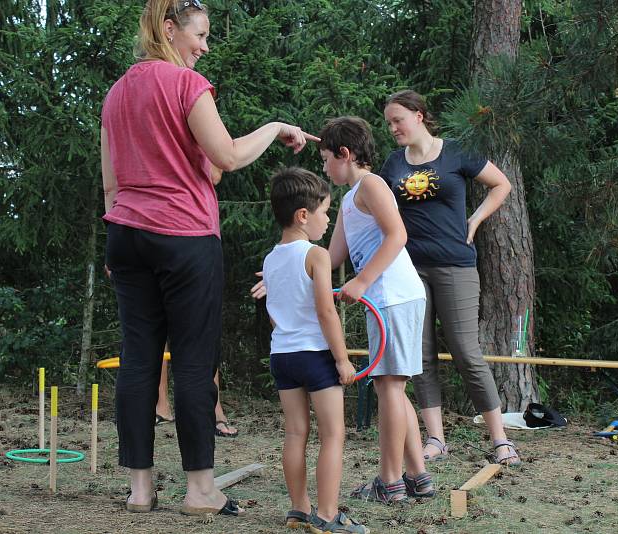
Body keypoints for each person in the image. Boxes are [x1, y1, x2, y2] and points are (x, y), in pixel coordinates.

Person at [101, 0, 316, 516]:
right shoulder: (185, 86)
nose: (204, 46)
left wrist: (117, 234)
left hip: (125, 233)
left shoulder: (116, 93)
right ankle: (200, 490)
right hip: (184, 236)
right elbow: (229, 157)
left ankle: (140, 489)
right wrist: (275, 126)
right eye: (199, 35)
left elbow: (111, 182)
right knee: (195, 362)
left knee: (138, 360)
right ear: (169, 30)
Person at [380, 90, 520, 465]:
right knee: (421, 356)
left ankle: (501, 440)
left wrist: (475, 219)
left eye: (398, 120)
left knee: (466, 351)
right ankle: (436, 439)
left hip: (456, 265)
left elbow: (501, 184)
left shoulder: (456, 151)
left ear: (419, 116)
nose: (393, 128)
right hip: (409, 270)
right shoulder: (393, 165)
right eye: (389, 123)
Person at [320, 117, 434, 504]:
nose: (323, 168)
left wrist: (363, 281)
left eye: (325, 160)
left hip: (392, 294)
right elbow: (331, 256)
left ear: (344, 154)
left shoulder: (372, 184)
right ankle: (417, 476)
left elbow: (397, 234)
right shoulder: (349, 197)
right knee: (393, 386)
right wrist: (287, 267)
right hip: (386, 297)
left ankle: (390, 481)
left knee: (390, 386)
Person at [262, 168, 367, 533]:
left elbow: (276, 316)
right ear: (303, 215)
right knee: (333, 434)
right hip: (315, 356)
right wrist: (341, 359)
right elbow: (326, 311)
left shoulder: (271, 260)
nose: (328, 220)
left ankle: (298, 509)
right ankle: (326, 514)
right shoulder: (317, 255)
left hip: (283, 356)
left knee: (294, 433)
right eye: (325, 211)